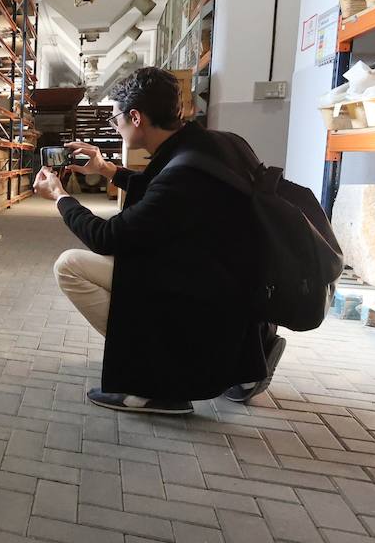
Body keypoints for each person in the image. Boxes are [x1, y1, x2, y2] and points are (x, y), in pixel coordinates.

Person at [31, 67, 284, 414]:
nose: (114, 126)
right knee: (138, 265)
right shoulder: (216, 144)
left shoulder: (182, 172)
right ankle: (240, 365)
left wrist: (60, 197)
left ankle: (156, 383)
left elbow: (108, 237)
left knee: (71, 267)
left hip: (202, 297)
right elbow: (162, 193)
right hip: (233, 289)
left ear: (135, 117)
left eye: (115, 119)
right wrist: (107, 169)